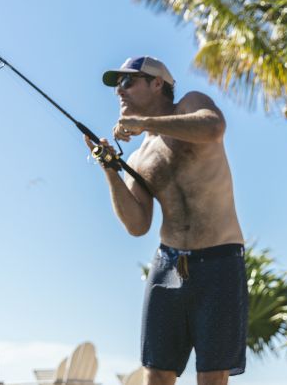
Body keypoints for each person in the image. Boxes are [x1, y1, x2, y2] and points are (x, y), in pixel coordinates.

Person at [84, 56, 247, 385]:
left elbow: (214, 127)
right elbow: (137, 224)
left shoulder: (191, 104)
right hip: (167, 264)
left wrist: (146, 122)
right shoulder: (139, 155)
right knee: (156, 374)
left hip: (219, 260)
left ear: (157, 83)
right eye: (117, 85)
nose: (120, 91)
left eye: (128, 82)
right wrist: (111, 170)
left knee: (212, 377)